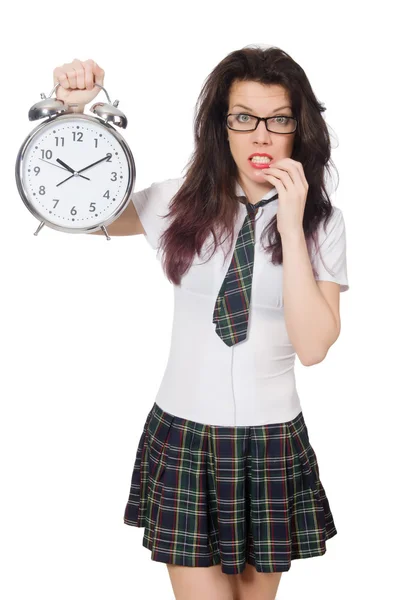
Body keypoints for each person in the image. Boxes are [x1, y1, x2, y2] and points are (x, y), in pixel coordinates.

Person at [52, 46, 349, 600]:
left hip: (271, 443)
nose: (261, 137)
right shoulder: (174, 203)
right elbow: (74, 206)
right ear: (221, 126)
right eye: (244, 118)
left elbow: (313, 345)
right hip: (186, 435)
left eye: (278, 120)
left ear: (298, 128)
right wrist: (75, 114)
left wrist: (289, 223)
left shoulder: (320, 224)